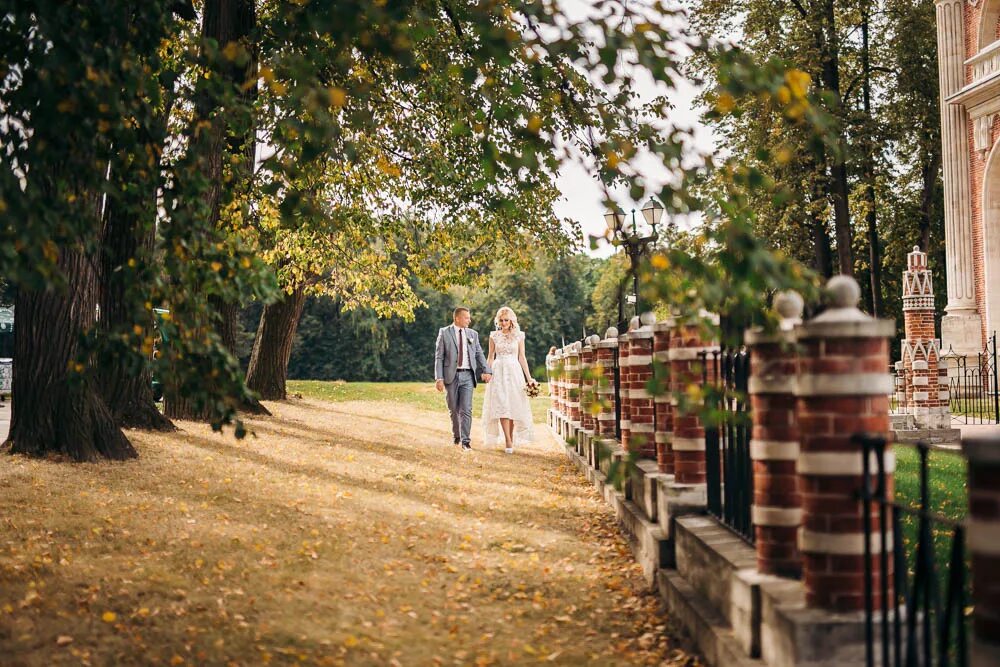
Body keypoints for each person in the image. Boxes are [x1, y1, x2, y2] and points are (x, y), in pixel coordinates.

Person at [434, 307, 492, 451]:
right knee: (454, 408)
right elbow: (439, 356)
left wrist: (487, 369)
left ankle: (466, 441)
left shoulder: (473, 334)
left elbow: (479, 353)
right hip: (450, 376)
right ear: (457, 318)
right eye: (466, 318)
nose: (469, 320)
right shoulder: (444, 332)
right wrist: (439, 377)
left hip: (468, 375)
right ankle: (457, 435)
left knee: (466, 409)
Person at [481, 306, 537, 454]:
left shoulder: (519, 336)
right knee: (501, 404)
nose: (504, 322)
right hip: (498, 371)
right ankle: (508, 440)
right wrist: (487, 371)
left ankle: (510, 437)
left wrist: (529, 377)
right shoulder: (494, 336)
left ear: (511, 320)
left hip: (514, 371)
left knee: (512, 405)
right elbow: (491, 356)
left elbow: (522, 357)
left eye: (506, 320)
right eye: (501, 320)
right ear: (498, 321)